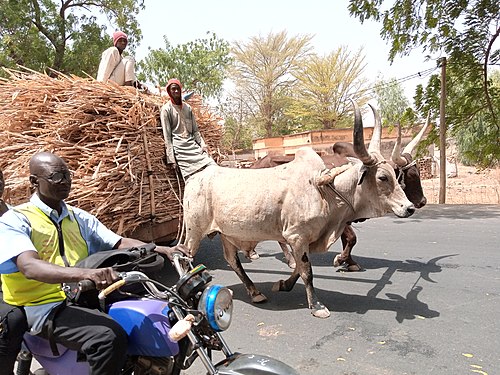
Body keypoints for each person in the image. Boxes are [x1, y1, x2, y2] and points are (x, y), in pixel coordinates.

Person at [0, 152, 187, 375]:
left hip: (83, 296)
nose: (66, 181)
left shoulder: (78, 217)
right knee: (108, 338)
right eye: (57, 176)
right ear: (34, 182)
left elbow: (118, 241)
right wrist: (84, 274)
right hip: (43, 305)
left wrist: (162, 249)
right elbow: (29, 266)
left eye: (68, 175)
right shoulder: (16, 219)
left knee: (169, 315)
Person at [160, 78, 215, 180]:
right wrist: (171, 159)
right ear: (169, 91)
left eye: (177, 89)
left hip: (193, 146)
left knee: (212, 166)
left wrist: (202, 145)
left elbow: (195, 131)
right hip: (180, 150)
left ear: (181, 90)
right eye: (173, 89)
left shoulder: (187, 108)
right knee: (192, 180)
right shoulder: (166, 109)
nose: (176, 91)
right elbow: (167, 137)